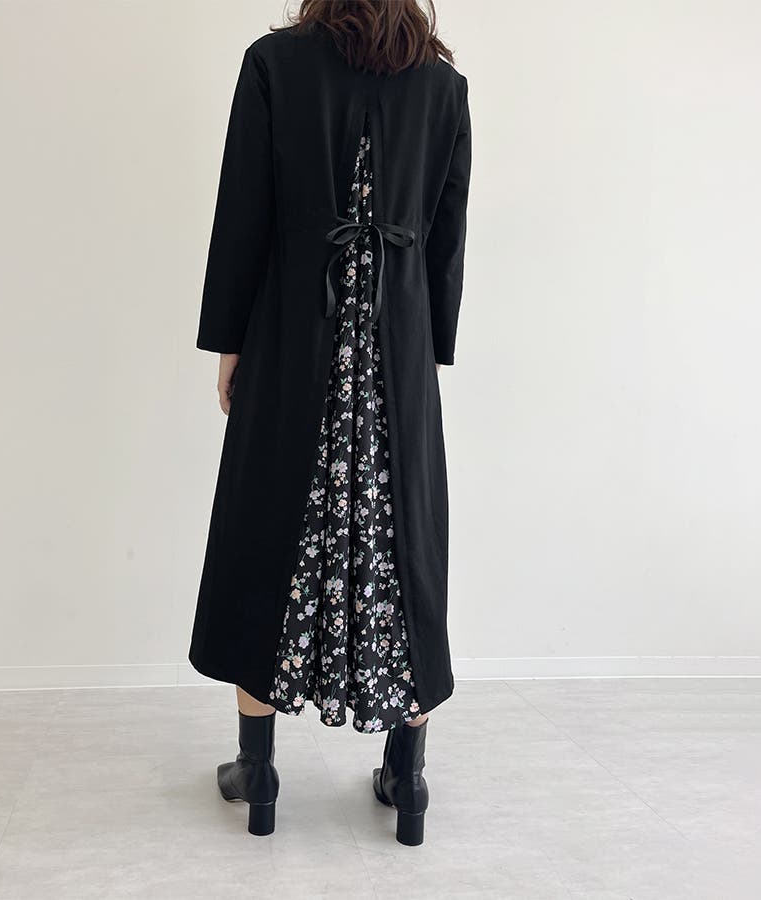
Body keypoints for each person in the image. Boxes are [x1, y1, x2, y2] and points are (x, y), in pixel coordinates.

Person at [190, 0, 471, 846]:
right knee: (405, 551)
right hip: (396, 352)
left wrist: (230, 342)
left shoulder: (274, 65)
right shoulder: (443, 85)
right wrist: (427, 346)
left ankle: (259, 772)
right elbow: (445, 232)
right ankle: (408, 779)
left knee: (266, 537)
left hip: (290, 343)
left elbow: (243, 213)